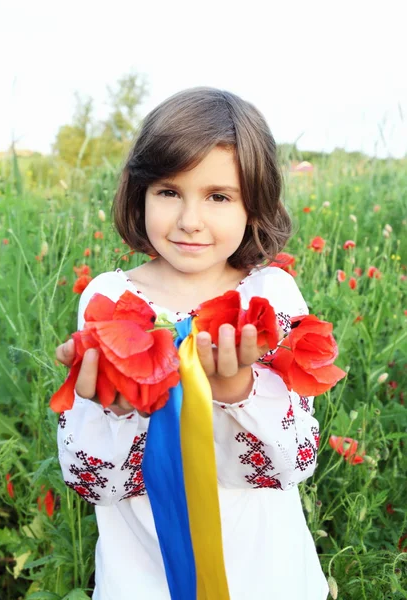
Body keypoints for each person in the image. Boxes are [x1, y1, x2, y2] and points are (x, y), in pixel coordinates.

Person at [55, 87, 329, 600]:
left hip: (265, 576)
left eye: (219, 196)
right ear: (139, 192)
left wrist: (235, 388)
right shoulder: (111, 299)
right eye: (168, 191)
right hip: (144, 577)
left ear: (256, 202)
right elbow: (94, 483)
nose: (189, 220)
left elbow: (291, 465)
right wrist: (118, 413)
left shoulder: (268, 297)